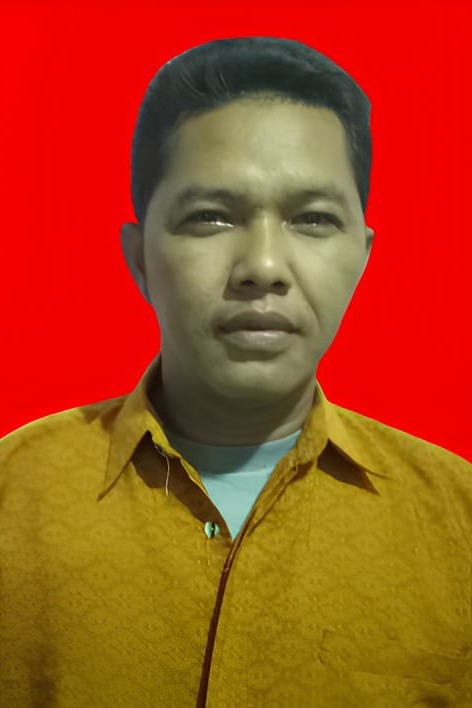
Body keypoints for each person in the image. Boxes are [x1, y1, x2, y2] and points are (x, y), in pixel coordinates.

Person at [1, 36, 471, 708]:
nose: (264, 267)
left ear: (362, 256)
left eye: (313, 218)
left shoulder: (458, 525)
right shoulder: (13, 501)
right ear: (139, 258)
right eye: (212, 217)